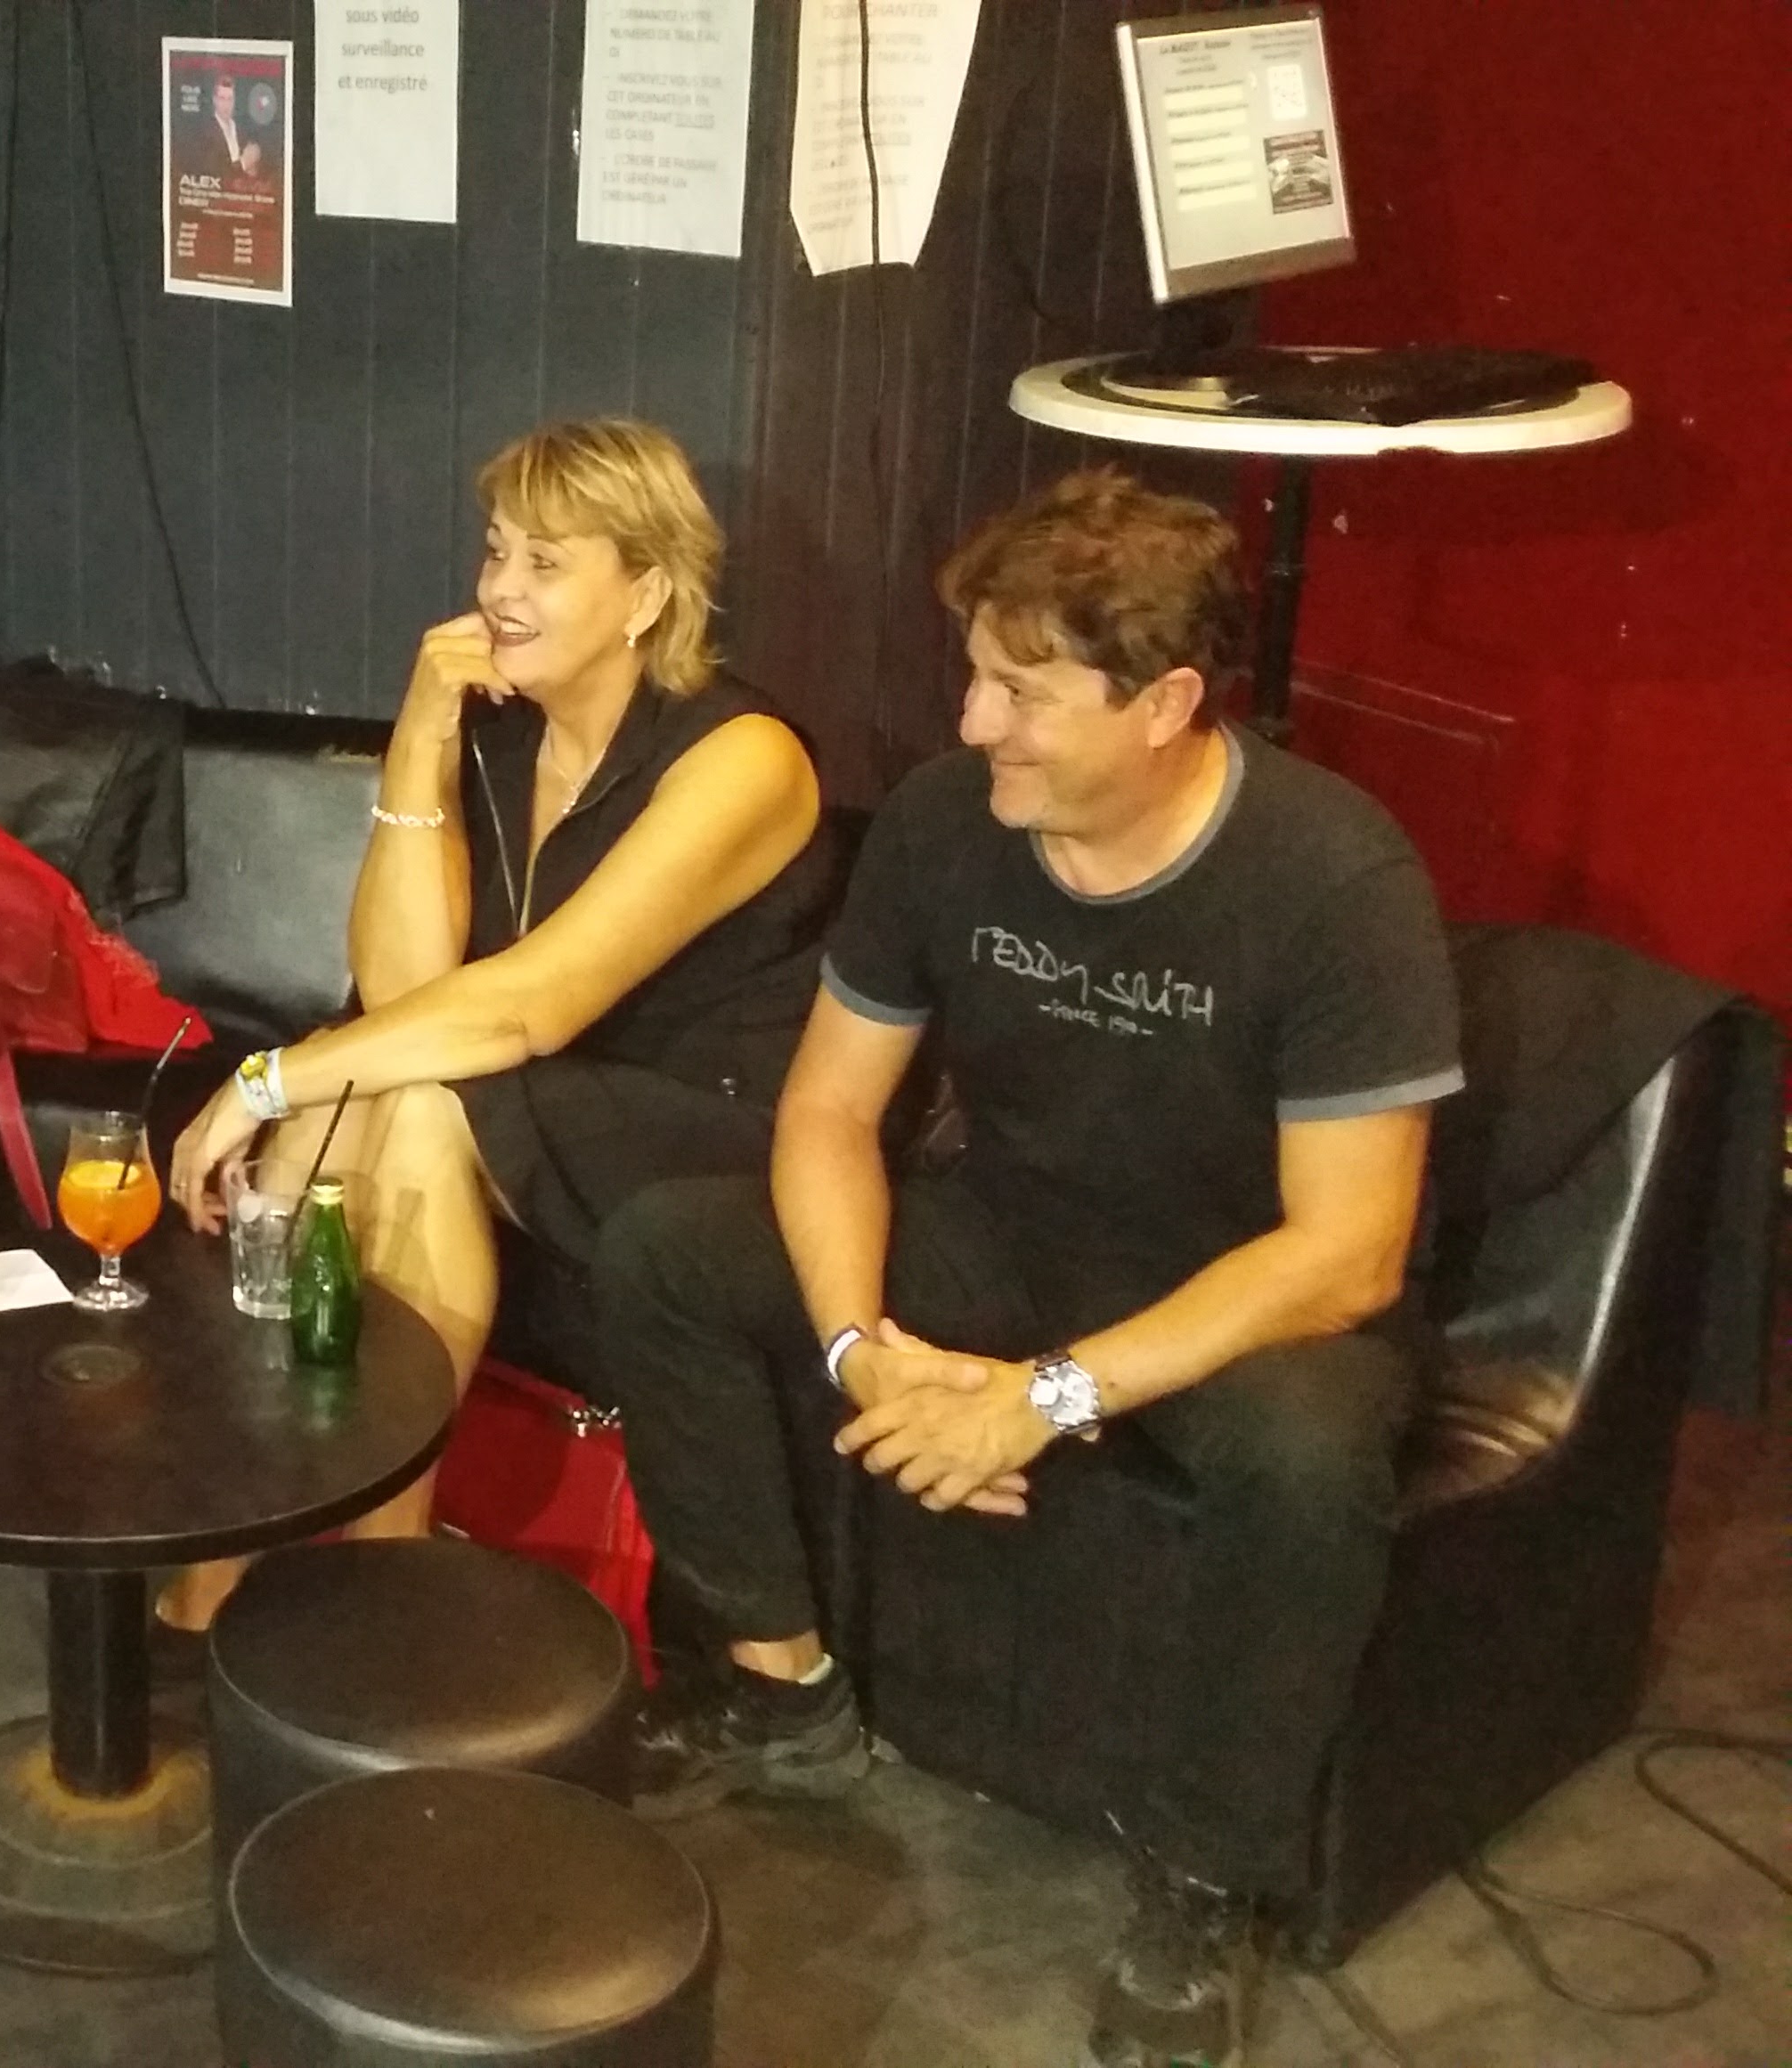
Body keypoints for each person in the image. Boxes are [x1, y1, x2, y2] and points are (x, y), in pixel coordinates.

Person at [585, 469, 1460, 2068]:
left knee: (1307, 1450)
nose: (974, 719)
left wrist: (1041, 1399)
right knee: (667, 1251)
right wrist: (860, 1346)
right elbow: (826, 1114)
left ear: (1166, 705)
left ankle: (1206, 1877)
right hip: (1008, 1229)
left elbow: (1347, 1250)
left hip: (1238, 1293)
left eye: (1024, 691)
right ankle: (780, 1688)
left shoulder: (1333, 876)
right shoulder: (944, 823)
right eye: (977, 675)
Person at [164, 419, 829, 1632]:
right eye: (496, 551)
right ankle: (253, 1522)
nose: (502, 591)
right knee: (372, 1087)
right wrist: (420, 734)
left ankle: (379, 1571)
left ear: (646, 596)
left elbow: (534, 1005)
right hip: (533, 1091)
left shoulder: (744, 758)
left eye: (547, 563)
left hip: (713, 1133)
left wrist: (264, 1079)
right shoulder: (500, 730)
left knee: (413, 1096)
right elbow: (405, 986)